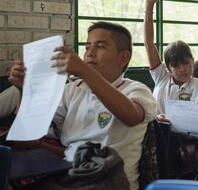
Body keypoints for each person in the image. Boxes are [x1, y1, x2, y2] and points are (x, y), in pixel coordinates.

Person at [4, 22, 156, 190]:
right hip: (69, 174)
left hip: (110, 180)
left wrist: (84, 71)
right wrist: (26, 89)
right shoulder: (72, 90)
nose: (90, 53)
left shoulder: (136, 90)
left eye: (100, 47)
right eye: (87, 47)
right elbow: (69, 148)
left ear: (123, 58)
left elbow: (131, 116)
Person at [143, 0, 198, 116]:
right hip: (157, 131)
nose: (183, 69)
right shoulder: (161, 77)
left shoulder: (196, 85)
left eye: (186, 63)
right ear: (168, 68)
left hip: (182, 135)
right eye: (176, 66)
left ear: (193, 61)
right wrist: (149, 6)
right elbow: (149, 43)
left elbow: (194, 116)